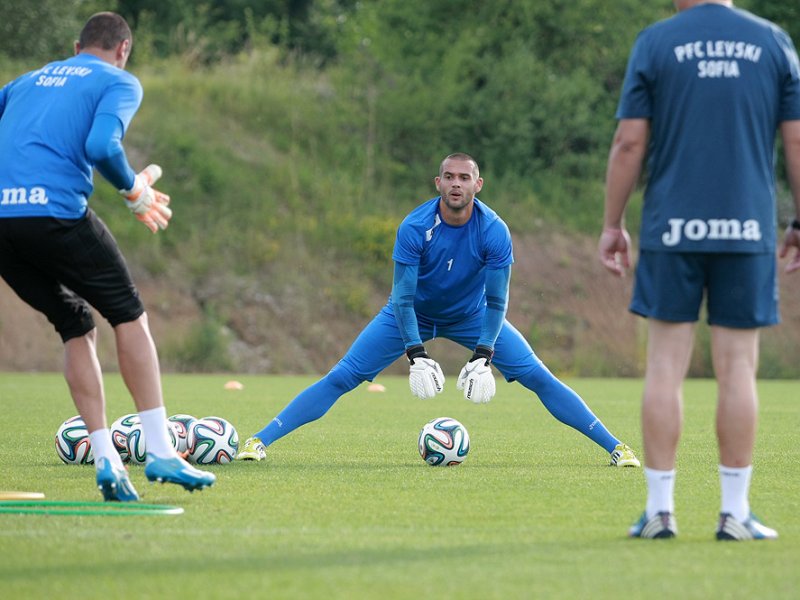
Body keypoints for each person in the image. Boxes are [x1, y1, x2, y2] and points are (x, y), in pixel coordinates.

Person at [237, 152, 640, 469]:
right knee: (344, 376)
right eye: (449, 177)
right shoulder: (415, 226)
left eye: (464, 177)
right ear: (438, 183)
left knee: (538, 376)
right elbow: (402, 297)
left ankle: (616, 447)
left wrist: (484, 355)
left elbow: (498, 301)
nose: (456, 184)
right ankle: (259, 441)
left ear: (478, 185)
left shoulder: (494, 229)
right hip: (410, 314)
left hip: (472, 315)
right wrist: (416, 353)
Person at [599, 0, 800, 540]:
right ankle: (734, 513)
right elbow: (797, 140)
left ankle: (660, 511)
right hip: (747, 229)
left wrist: (612, 223)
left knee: (666, 364)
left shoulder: (657, 42)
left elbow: (629, 142)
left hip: (672, 228)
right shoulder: (773, 41)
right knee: (738, 368)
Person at [0, 12, 216, 501]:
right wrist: (133, 190)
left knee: (74, 323)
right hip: (54, 214)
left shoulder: (22, 82)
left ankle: (106, 462)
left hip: (2, 224)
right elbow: (100, 144)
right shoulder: (119, 80)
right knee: (129, 315)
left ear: (76, 46)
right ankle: (161, 451)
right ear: (123, 49)